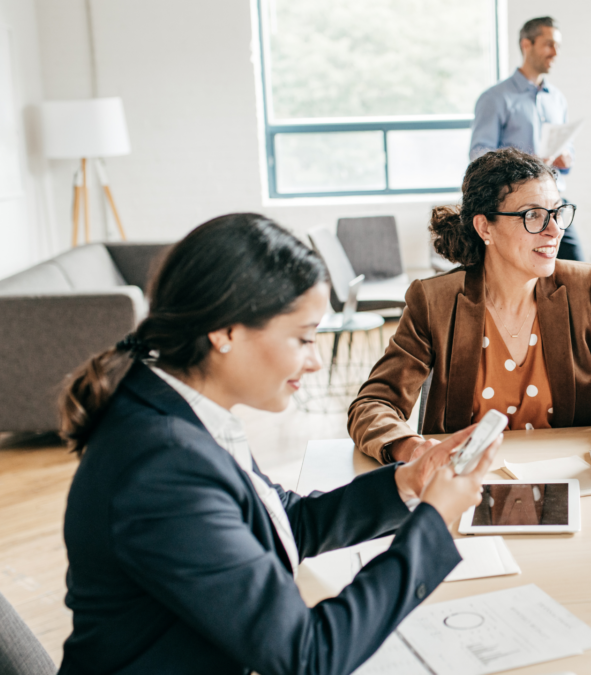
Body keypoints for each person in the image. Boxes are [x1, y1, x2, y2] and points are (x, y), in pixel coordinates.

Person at [56, 214, 498, 675]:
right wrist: (432, 523)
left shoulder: (180, 411)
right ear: (225, 330)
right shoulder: (163, 465)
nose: (313, 362)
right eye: (304, 338)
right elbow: (305, 657)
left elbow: (279, 522)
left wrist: (408, 483)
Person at [350, 148, 591, 477]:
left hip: (573, 481)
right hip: (467, 486)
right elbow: (373, 404)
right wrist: (413, 448)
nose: (554, 230)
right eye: (533, 216)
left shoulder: (586, 287)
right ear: (485, 227)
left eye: (557, 212)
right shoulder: (435, 301)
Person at [469, 16, 585, 262]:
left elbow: (569, 151)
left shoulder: (557, 99)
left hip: (554, 203)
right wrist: (527, 162)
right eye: (549, 44)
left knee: (576, 268)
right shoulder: (495, 98)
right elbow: (479, 154)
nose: (555, 52)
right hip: (517, 208)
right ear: (526, 45)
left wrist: (566, 158)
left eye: (558, 46)